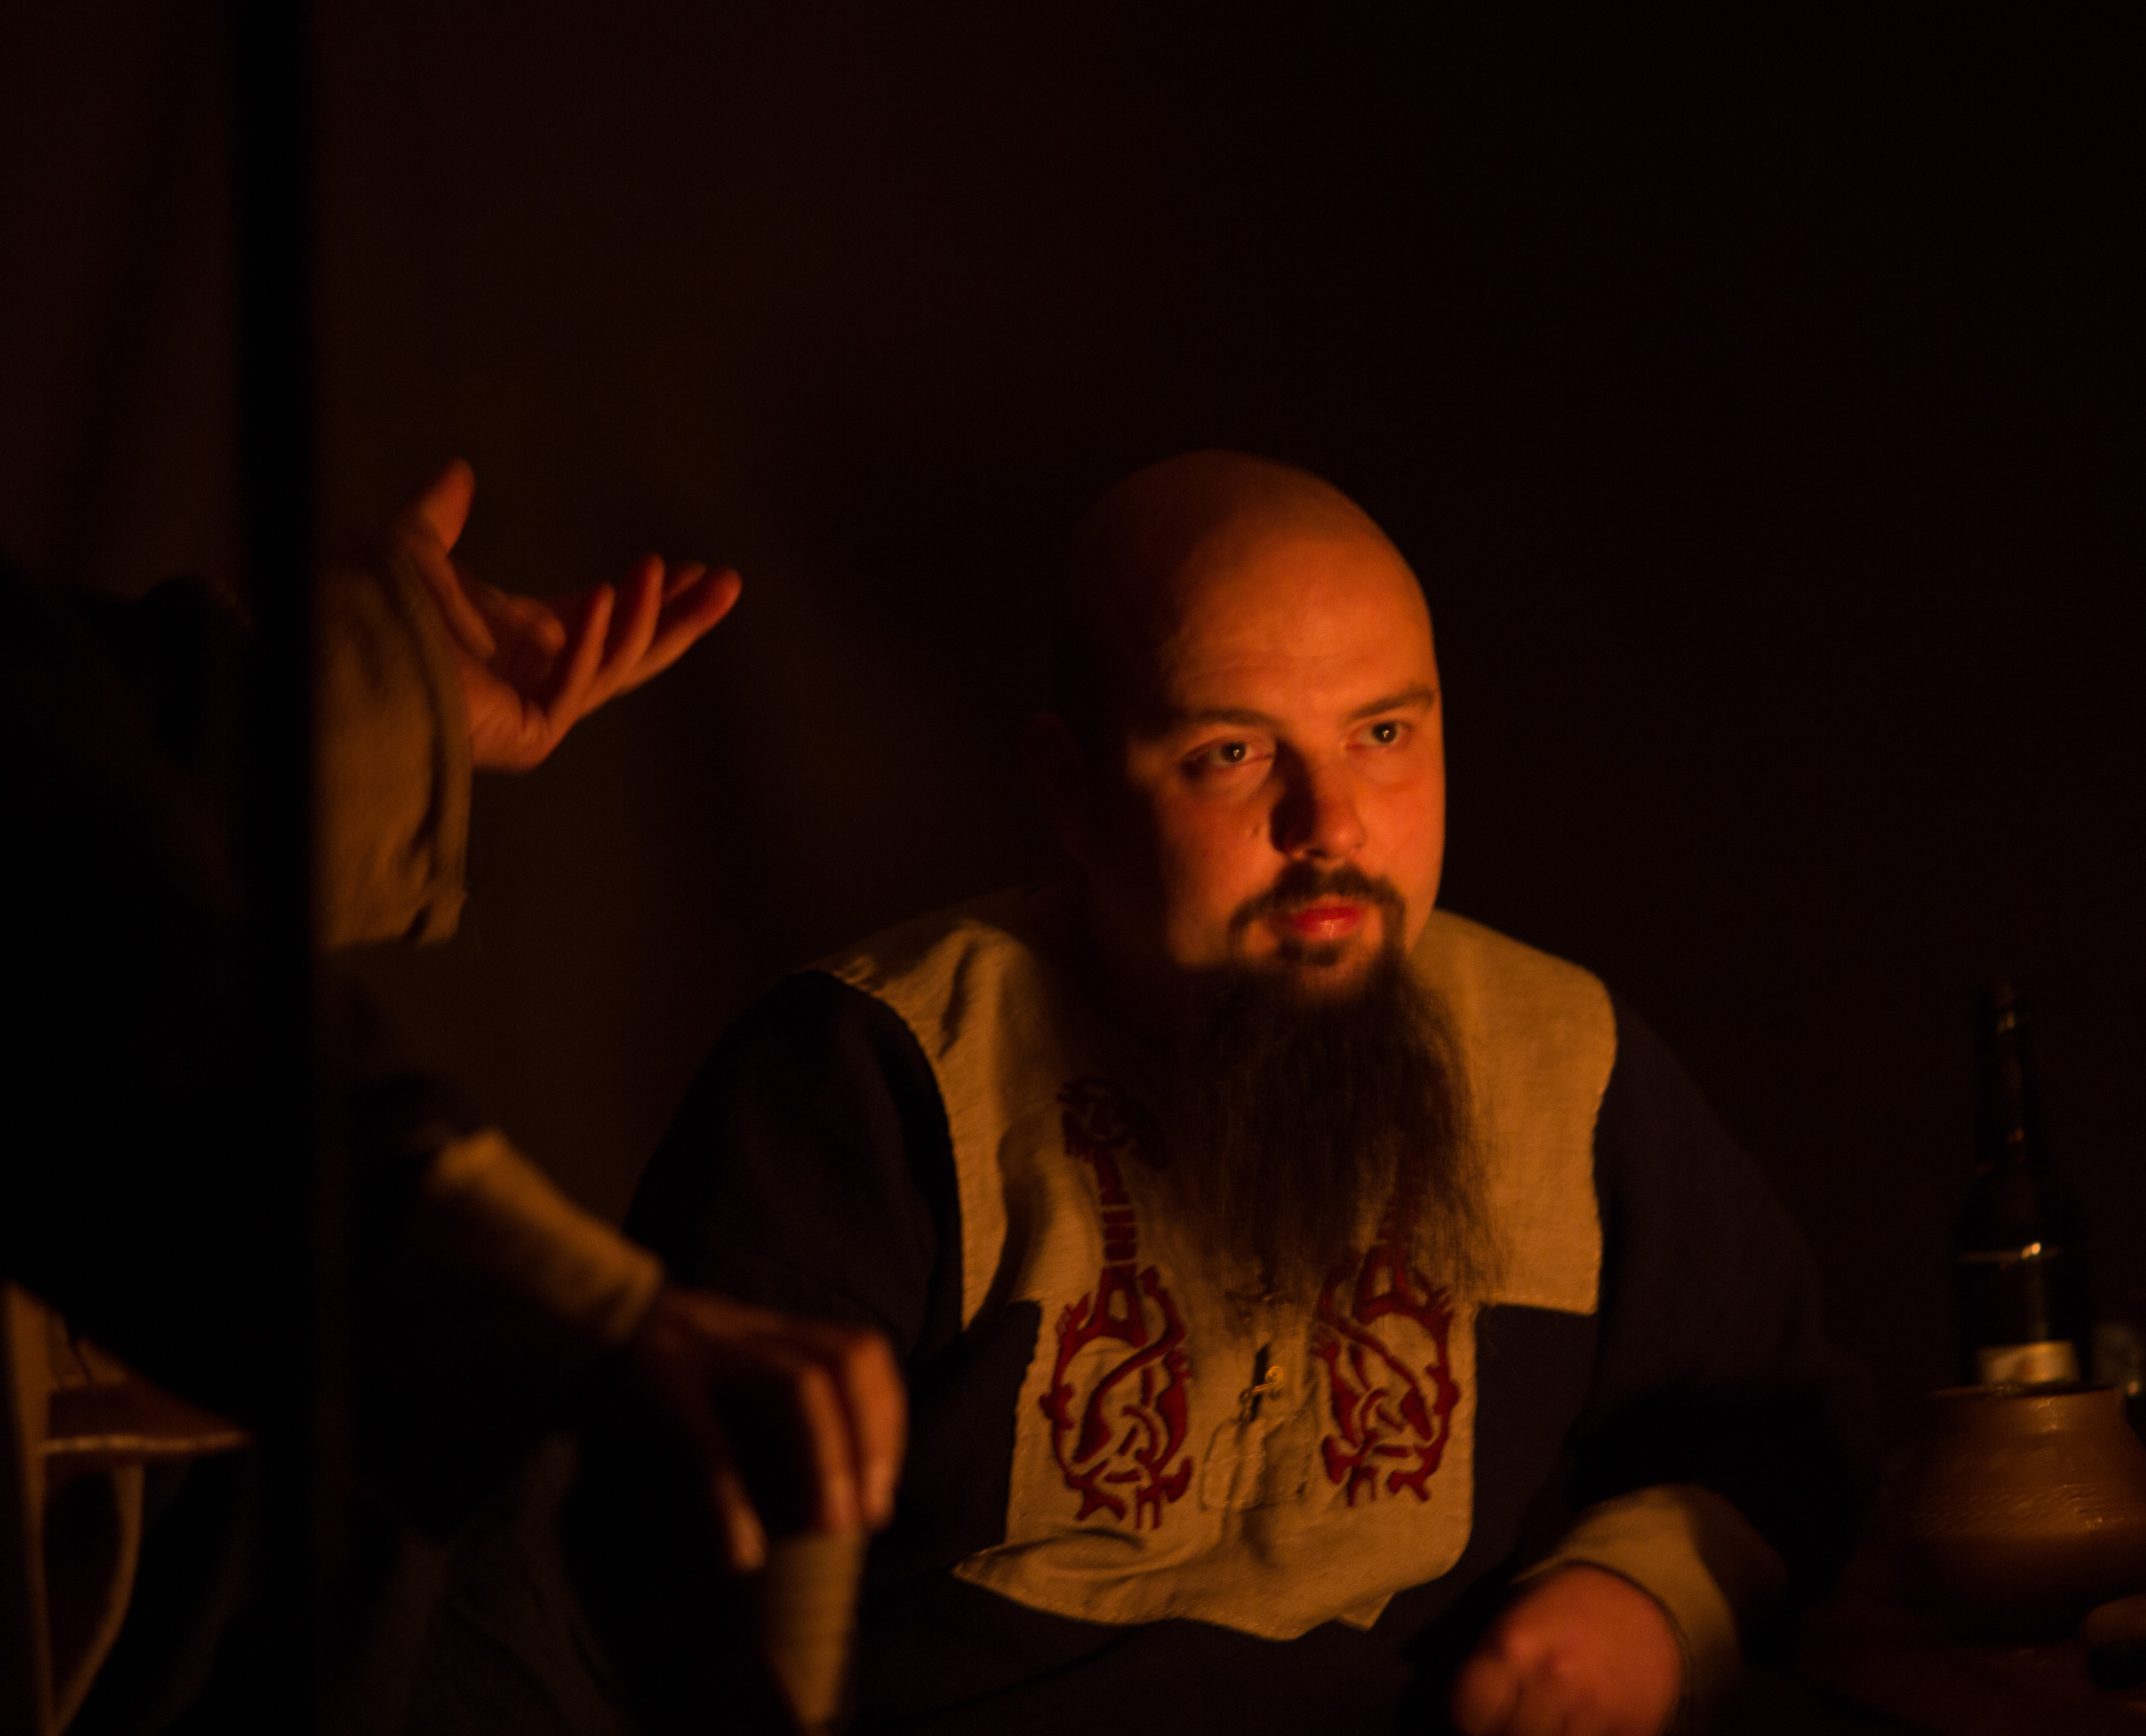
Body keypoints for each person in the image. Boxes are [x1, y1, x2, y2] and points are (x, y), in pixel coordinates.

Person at [626, 450, 1872, 1735]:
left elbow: (1779, 1431)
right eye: (1231, 753)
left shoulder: (1568, 1060)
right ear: (1072, 790)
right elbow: (658, 1592)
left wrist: (1646, 1599)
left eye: (1383, 736)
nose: (1331, 824)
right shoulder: (873, 1075)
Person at [0, 460, 903, 1732]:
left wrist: (341, 695)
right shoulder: (885, 1070)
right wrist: (550, 1317)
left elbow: (45, 739)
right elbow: (56, 896)